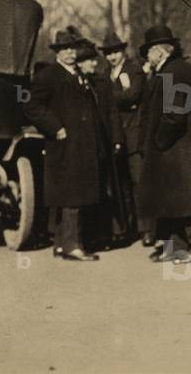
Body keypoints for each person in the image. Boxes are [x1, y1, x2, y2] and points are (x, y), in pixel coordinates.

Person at [139, 25, 191, 264]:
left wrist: (158, 141)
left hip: (180, 147)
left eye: (149, 52)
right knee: (178, 199)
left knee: (189, 199)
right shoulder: (175, 70)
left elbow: (175, 114)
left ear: (161, 52)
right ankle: (177, 246)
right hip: (180, 147)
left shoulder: (173, 72)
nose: (146, 57)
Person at [23, 28, 103, 262]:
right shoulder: (48, 75)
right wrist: (55, 127)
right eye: (64, 49)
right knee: (70, 195)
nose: (69, 52)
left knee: (73, 193)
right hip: (65, 145)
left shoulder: (78, 74)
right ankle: (71, 245)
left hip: (81, 145)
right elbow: (32, 106)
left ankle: (62, 243)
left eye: (72, 48)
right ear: (57, 52)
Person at [76, 40, 130, 249]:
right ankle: (89, 237)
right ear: (79, 64)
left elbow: (113, 114)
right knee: (90, 193)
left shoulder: (102, 82)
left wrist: (117, 140)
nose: (93, 64)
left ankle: (109, 235)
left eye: (93, 60)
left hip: (104, 145)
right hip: (85, 148)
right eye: (88, 60)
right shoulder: (76, 84)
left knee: (108, 192)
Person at [99, 32, 147, 243]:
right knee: (120, 185)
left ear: (123, 51)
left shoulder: (134, 69)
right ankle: (127, 229)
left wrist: (109, 99)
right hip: (115, 136)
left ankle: (147, 230)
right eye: (108, 53)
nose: (112, 57)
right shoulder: (104, 73)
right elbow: (124, 99)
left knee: (139, 183)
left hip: (134, 134)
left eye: (115, 52)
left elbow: (134, 95)